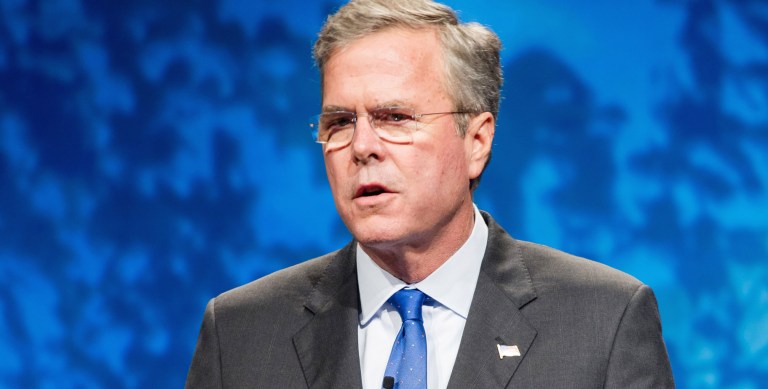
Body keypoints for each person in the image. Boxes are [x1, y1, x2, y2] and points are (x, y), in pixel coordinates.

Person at [185, 0, 675, 387]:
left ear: (476, 141)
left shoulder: (603, 323)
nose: (361, 147)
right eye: (339, 123)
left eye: (394, 118)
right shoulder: (240, 334)